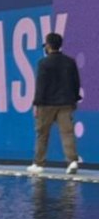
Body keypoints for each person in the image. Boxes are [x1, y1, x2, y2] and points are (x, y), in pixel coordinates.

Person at [28, 32, 83, 175]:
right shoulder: (70, 62)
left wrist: (36, 104)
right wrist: (74, 99)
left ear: (48, 45)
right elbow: (76, 83)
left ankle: (39, 164)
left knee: (42, 134)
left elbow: (41, 86)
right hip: (66, 103)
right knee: (67, 133)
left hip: (46, 104)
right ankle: (72, 161)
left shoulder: (43, 63)